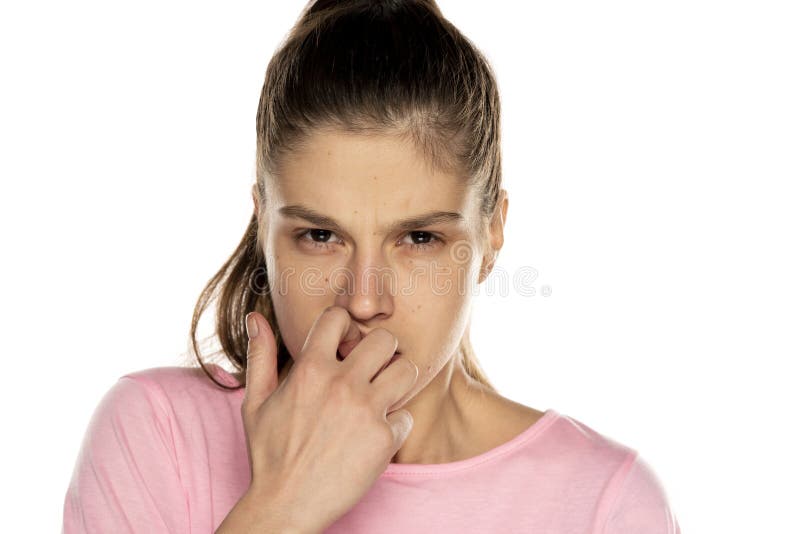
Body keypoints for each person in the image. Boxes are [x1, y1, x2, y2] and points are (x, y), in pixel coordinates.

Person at [62, 1, 681, 532]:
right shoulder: (157, 433)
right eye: (320, 234)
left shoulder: (603, 504)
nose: (362, 300)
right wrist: (281, 505)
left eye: (417, 237)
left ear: (491, 233)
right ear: (263, 222)